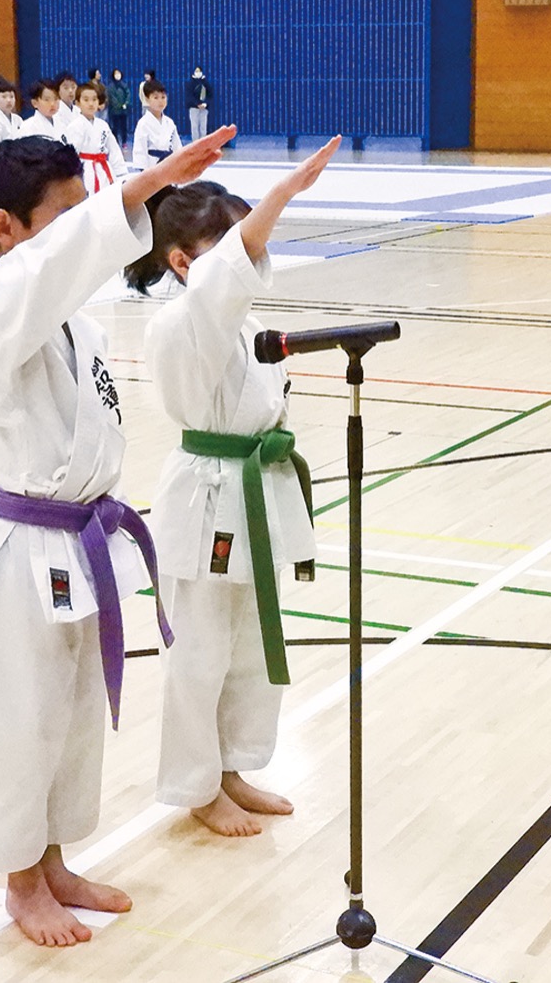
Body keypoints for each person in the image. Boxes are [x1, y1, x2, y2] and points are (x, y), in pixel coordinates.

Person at [0, 124, 236, 946]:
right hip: (24, 545)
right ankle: (19, 879)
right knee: (21, 718)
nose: (84, 236)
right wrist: (127, 197)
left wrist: (123, 204)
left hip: (81, 538)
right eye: (63, 219)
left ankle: (55, 858)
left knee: (69, 718)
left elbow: (61, 271)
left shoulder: (79, 327)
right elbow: (42, 273)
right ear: (6, 229)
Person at [125, 136, 339, 836]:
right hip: (209, 497)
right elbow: (225, 281)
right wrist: (282, 195)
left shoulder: (240, 326)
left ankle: (232, 768)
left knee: (248, 644)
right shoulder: (183, 322)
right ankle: (195, 786)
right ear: (183, 262)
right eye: (227, 249)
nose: (243, 262)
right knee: (200, 653)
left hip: (257, 490)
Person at [71, 80, 127, 195]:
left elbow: (113, 149)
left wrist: (121, 173)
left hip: (104, 168)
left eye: (94, 100)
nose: (91, 104)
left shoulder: (103, 125)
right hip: (84, 170)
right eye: (86, 100)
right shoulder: (75, 126)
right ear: (77, 103)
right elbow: (71, 154)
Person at [132, 80, 182, 169]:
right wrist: (143, 171)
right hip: (151, 167)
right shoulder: (143, 123)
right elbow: (140, 150)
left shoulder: (169, 123)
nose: (160, 101)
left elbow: (177, 146)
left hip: (170, 165)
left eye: (163, 97)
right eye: (156, 98)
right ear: (147, 99)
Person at [184, 66, 212, 142]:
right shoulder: (190, 83)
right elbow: (189, 96)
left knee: (203, 127)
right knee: (194, 126)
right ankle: (195, 143)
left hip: (204, 108)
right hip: (193, 108)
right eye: (196, 71)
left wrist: (205, 104)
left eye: (199, 71)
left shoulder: (206, 82)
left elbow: (210, 95)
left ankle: (203, 144)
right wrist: (197, 104)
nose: (198, 73)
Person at [106, 68, 130, 147]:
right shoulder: (111, 86)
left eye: (119, 73)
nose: (118, 75)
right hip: (114, 111)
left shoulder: (124, 85)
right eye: (116, 73)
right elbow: (112, 98)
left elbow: (128, 94)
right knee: (115, 127)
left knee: (124, 127)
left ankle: (124, 142)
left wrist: (126, 103)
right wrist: (118, 105)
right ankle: (115, 142)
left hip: (123, 111)